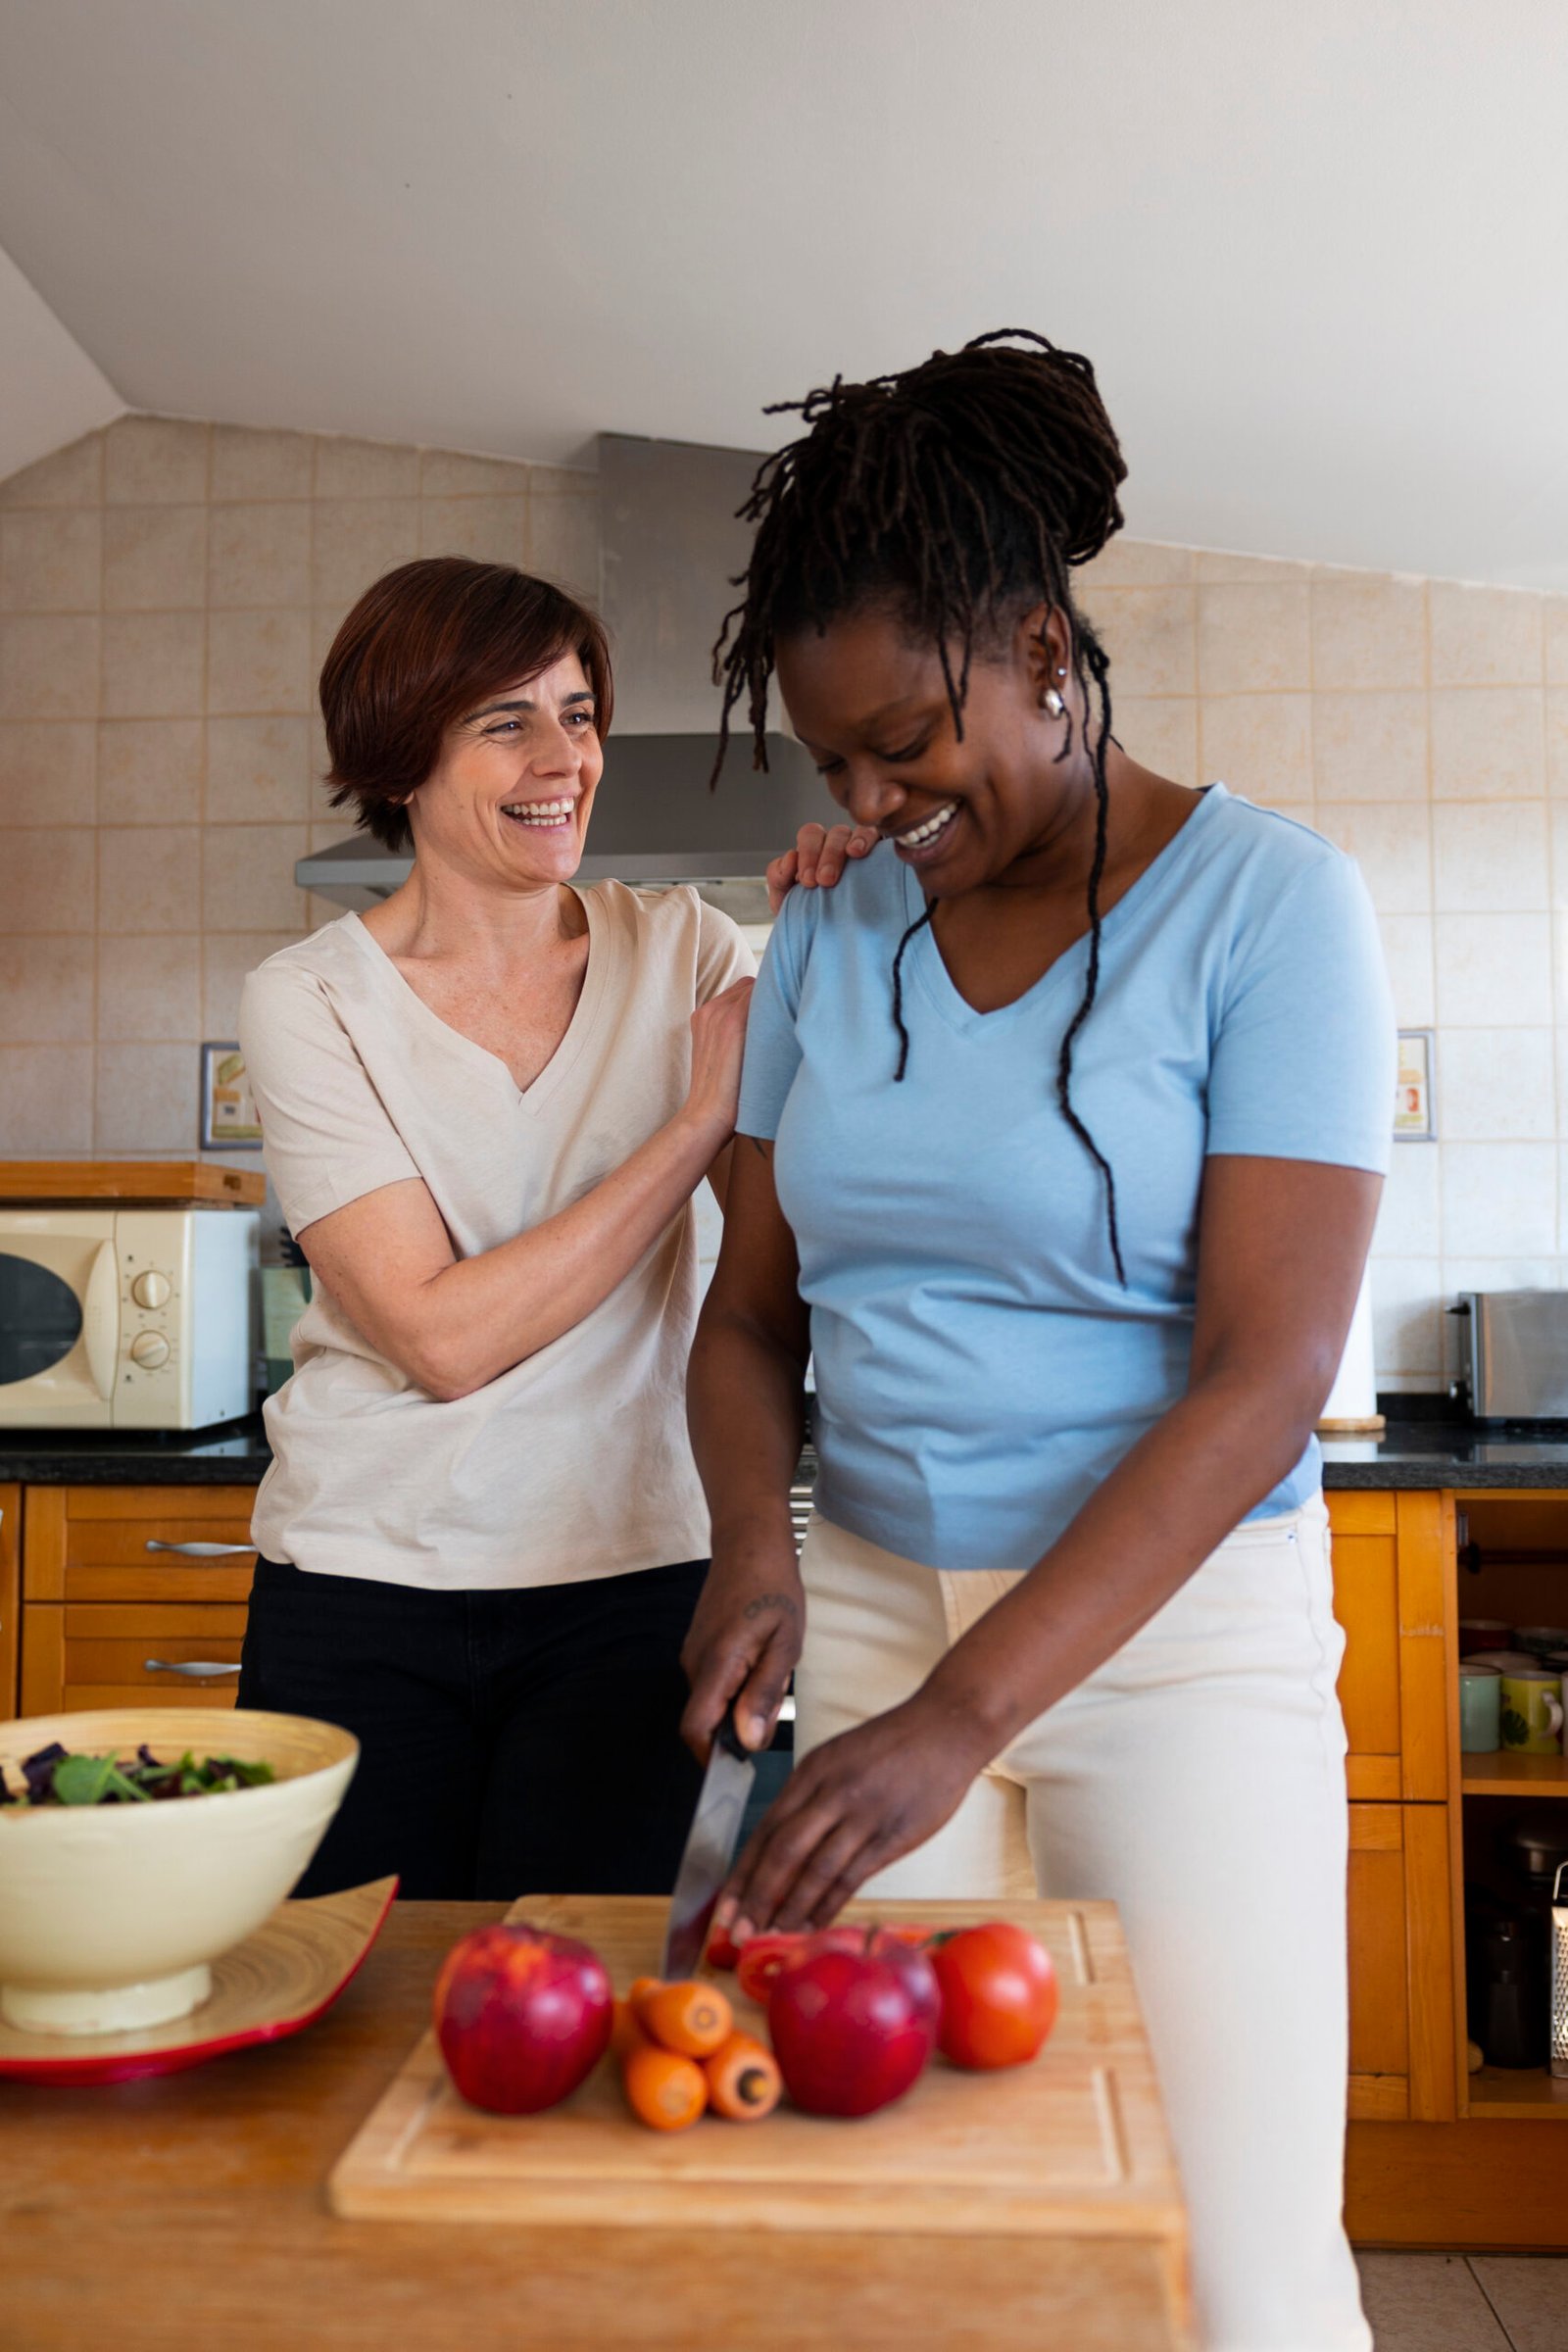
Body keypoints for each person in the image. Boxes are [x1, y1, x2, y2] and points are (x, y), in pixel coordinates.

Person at [681, 334, 1393, 2352]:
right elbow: (745, 1320)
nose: (868, 801)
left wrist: (961, 1718)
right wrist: (757, 1546)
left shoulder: (1272, 908)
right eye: (829, 767)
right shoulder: (827, 924)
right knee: (903, 2259)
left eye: (903, 739)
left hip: (1174, 1648)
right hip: (876, 1615)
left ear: (1040, 654)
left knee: (1233, 2270)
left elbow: (1260, 1375)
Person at [236, 555, 769, 1902]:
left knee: (595, 2037)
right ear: (400, 754)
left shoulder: (691, 952)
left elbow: (795, 1239)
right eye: (507, 720)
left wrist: (848, 921)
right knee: (348, 2031)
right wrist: (694, 1122)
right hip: (363, 1589)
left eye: (579, 712)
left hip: (637, 1578)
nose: (566, 758)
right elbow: (438, 1336)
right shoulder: (312, 1001)